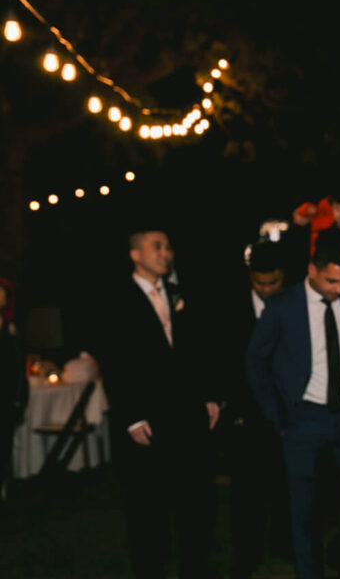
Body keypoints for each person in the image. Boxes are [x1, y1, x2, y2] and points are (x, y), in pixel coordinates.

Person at [246, 239, 340, 579]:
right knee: (302, 509)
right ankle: (309, 572)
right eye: (332, 281)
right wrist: (276, 414)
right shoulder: (282, 305)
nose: (339, 288)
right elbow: (255, 361)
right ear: (312, 272)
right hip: (303, 419)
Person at [101, 230, 220, 579]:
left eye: (168, 247)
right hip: (146, 419)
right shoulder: (117, 298)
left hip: (187, 415)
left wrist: (210, 394)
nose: (166, 253)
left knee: (195, 503)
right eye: (157, 247)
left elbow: (199, 348)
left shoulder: (178, 292)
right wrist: (130, 416)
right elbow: (114, 361)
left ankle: (194, 568)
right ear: (135, 255)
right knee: (146, 509)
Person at [222, 242, 291, 579]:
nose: (265, 290)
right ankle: (246, 556)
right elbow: (227, 362)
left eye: (273, 283)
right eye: (259, 283)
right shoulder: (230, 308)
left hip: (285, 414)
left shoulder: (292, 303)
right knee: (245, 493)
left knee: (285, 488)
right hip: (245, 416)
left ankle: (283, 545)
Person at [0, 278, 28, 500]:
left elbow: (18, 366)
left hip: (6, 399)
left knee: (4, 444)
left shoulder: (11, 329)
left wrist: (20, 399)